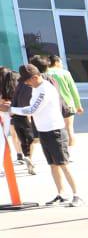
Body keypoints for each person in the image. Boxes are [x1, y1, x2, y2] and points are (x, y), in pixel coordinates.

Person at [2, 64, 79, 205]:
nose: (25, 83)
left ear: (35, 77)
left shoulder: (45, 90)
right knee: (53, 165)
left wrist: (11, 109)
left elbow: (32, 109)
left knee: (63, 164)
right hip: (44, 131)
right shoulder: (36, 88)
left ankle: (77, 195)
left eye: (27, 80)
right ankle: (61, 194)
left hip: (55, 131)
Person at [2, 67, 38, 175]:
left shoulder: (7, 87)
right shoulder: (25, 85)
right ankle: (29, 157)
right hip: (24, 114)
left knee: (18, 137)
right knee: (30, 138)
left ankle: (20, 154)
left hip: (12, 115)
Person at [44, 54, 83, 146]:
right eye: (61, 62)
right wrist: (78, 105)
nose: (62, 64)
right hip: (67, 104)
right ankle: (70, 154)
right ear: (56, 62)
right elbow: (73, 90)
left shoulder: (44, 74)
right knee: (69, 129)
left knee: (54, 131)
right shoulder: (65, 73)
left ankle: (59, 152)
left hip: (52, 106)